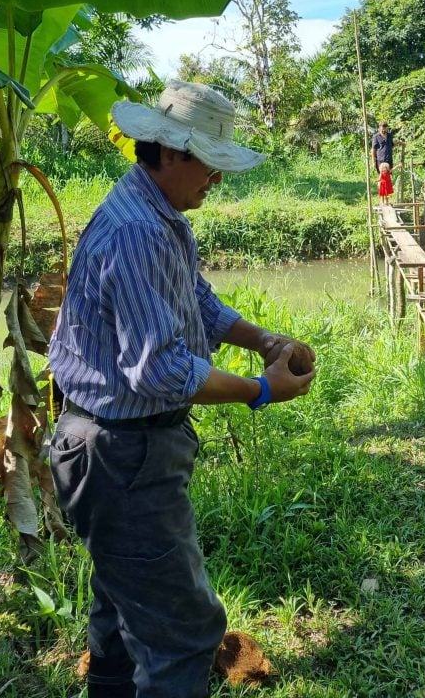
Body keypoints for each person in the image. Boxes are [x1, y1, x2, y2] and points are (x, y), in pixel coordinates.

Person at [48, 80, 317, 698]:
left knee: (120, 608)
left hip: (108, 446)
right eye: (209, 163)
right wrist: (261, 389)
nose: (216, 180)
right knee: (182, 633)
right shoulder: (141, 230)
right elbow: (161, 370)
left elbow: (192, 298)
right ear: (169, 152)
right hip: (122, 454)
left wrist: (262, 340)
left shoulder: (151, 212)